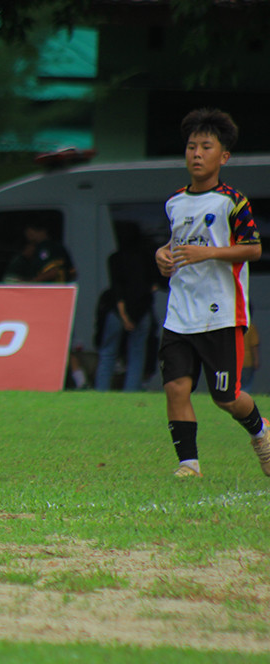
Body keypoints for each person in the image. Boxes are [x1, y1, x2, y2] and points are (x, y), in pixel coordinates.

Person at [154, 108, 270, 478]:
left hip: (220, 315)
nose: (197, 154)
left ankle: (262, 431)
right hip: (180, 314)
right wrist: (162, 255)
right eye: (191, 147)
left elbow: (253, 248)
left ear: (224, 156)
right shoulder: (174, 202)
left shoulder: (232, 202)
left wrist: (210, 253)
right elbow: (176, 245)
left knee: (227, 398)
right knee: (175, 387)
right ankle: (188, 464)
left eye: (206, 147)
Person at [3, 222, 86, 387]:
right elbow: (73, 272)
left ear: (33, 230)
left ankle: (75, 381)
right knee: (62, 342)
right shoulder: (58, 247)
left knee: (57, 342)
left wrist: (31, 283)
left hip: (51, 302)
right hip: (60, 301)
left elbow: (54, 271)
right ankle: (78, 380)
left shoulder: (47, 247)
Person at [94, 223, 162, 392]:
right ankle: (131, 390)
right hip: (143, 309)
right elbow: (157, 283)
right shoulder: (146, 258)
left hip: (117, 311)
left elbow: (117, 288)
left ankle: (101, 390)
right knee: (137, 353)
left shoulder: (115, 258)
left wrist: (124, 315)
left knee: (108, 353)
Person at [241, 322, 260, 394]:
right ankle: (244, 401)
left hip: (233, 361)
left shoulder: (233, 327)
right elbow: (254, 345)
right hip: (247, 361)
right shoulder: (251, 328)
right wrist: (256, 360)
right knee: (246, 386)